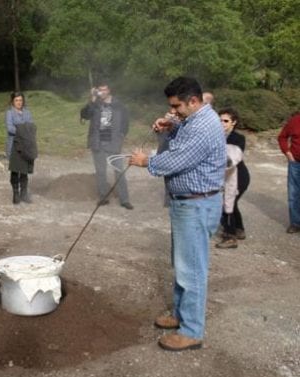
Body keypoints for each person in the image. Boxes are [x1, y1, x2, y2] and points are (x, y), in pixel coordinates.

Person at [129, 77, 226, 351]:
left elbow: (177, 159)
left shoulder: (204, 127)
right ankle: (180, 315)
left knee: (192, 270)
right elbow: (178, 142)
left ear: (193, 101)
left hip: (196, 205)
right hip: (187, 204)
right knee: (182, 263)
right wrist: (169, 128)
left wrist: (145, 160)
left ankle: (192, 331)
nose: (174, 111)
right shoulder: (193, 121)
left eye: (177, 107)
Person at [80, 81, 133, 209]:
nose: (102, 92)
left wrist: (121, 136)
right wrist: (92, 99)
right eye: (100, 90)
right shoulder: (95, 104)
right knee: (101, 172)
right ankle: (103, 197)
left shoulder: (118, 105)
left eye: (104, 89)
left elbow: (125, 123)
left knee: (119, 171)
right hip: (98, 143)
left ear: (109, 90)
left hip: (114, 143)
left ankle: (124, 200)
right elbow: (84, 115)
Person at [216, 108, 250, 248]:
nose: (222, 123)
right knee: (231, 203)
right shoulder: (215, 136)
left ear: (233, 122)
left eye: (225, 120)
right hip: (224, 176)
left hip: (238, 176)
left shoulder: (238, 138)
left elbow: (233, 158)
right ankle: (239, 229)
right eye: (219, 120)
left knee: (227, 203)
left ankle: (230, 237)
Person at [5, 91, 37, 204]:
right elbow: (10, 129)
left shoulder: (27, 113)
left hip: (26, 145)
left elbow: (32, 127)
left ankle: (24, 194)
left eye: (21, 100)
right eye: (17, 100)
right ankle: (16, 194)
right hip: (14, 145)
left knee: (24, 171)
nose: (19, 102)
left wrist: (21, 129)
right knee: (15, 170)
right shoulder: (10, 113)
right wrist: (24, 131)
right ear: (13, 102)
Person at [277, 112, 300, 233]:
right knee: (294, 194)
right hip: (296, 163)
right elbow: (282, 137)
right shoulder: (295, 120)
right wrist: (287, 152)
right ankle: (296, 223)